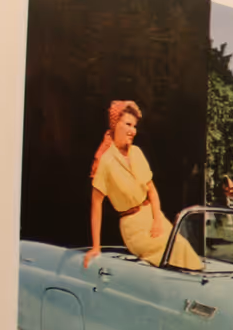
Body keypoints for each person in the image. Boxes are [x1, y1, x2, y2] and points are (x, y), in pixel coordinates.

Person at [84, 100, 201, 270]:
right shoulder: (106, 161)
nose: (133, 131)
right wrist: (96, 247)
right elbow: (96, 205)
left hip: (152, 216)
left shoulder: (137, 153)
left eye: (135, 126)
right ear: (116, 124)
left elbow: (152, 192)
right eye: (128, 124)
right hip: (133, 226)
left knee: (182, 246)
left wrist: (158, 221)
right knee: (171, 256)